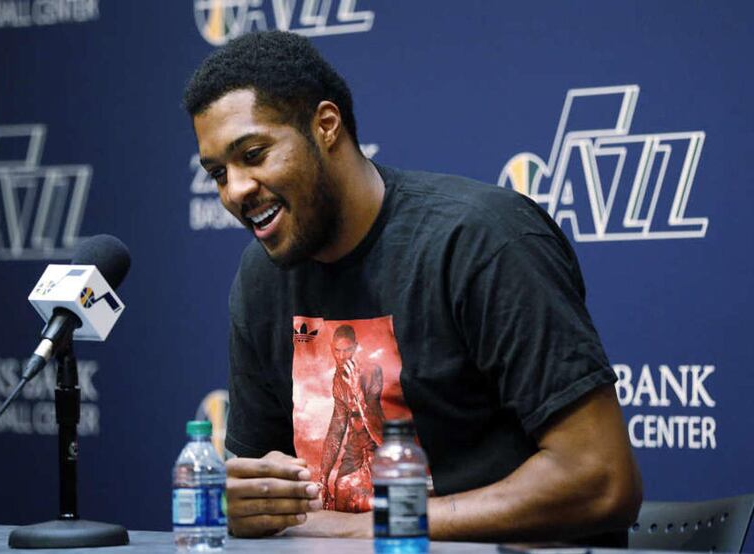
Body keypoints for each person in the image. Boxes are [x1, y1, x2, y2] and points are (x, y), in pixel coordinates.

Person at [183, 30, 642, 543]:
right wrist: (250, 505)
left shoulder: (481, 241)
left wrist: (370, 530)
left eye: (254, 154)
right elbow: (263, 490)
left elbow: (601, 480)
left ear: (325, 126)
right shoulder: (261, 279)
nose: (235, 190)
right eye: (217, 173)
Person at [319, 324, 385, 512]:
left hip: (376, 447)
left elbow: (378, 432)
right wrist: (323, 478)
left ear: (355, 347)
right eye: (337, 351)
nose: (341, 357)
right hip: (354, 450)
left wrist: (358, 393)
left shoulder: (372, 371)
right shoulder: (338, 379)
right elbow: (336, 430)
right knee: (340, 493)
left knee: (377, 504)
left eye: (347, 350)